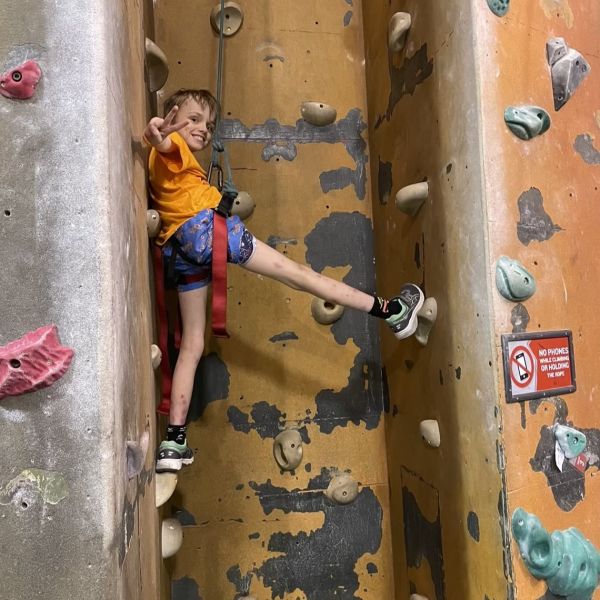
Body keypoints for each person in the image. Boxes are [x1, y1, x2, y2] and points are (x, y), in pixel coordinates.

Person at [144, 89, 424, 473]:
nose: (203, 131)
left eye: (208, 126)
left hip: (182, 250)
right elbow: (161, 139)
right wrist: (160, 133)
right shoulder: (171, 144)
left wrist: (162, 140)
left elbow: (162, 149)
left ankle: (173, 442)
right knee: (299, 276)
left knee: (192, 345)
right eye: (193, 119)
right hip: (210, 232)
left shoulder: (172, 166)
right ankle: (393, 312)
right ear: (173, 116)